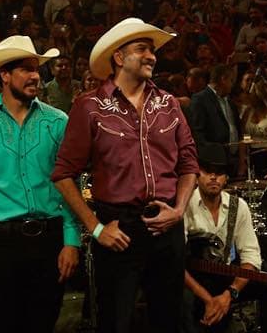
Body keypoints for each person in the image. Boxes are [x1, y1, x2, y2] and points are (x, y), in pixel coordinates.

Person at [52, 17, 199, 333]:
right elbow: (64, 174)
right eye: (142, 49)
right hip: (119, 229)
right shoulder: (90, 106)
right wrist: (95, 228)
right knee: (114, 323)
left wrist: (179, 210)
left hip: (168, 226)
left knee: (170, 321)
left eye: (152, 50)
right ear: (119, 58)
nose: (152, 56)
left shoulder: (169, 103)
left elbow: (189, 165)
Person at [0, 35, 80, 333]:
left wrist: (71, 240)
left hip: (49, 239)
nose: (35, 75)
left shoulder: (58, 121)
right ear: (5, 75)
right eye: (25, 68)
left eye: (36, 68)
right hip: (2, 243)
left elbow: (69, 185)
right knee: (0, 325)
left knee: (43, 323)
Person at [182, 144, 267, 333]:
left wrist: (230, 293)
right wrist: (208, 299)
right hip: (192, 280)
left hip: (224, 277)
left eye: (219, 172)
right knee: (182, 300)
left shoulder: (239, 206)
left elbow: (251, 257)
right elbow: (175, 262)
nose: (213, 177)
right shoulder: (185, 204)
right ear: (196, 175)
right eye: (207, 171)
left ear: (226, 178)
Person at [188, 63, 241, 172]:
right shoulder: (200, 99)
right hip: (212, 162)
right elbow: (197, 133)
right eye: (231, 81)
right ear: (223, 79)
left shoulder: (230, 102)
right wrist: (210, 154)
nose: (232, 85)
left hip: (232, 159)